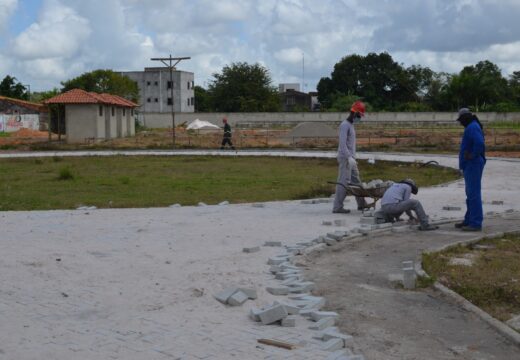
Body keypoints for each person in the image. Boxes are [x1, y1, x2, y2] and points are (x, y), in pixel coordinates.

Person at [332, 101, 367, 214]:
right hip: (345, 159)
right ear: (354, 113)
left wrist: (352, 158)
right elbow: (342, 144)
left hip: (351, 159)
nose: (360, 118)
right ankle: (337, 207)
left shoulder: (351, 125)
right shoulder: (344, 125)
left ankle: (362, 204)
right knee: (343, 182)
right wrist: (349, 157)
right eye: (359, 116)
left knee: (357, 182)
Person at [455, 108, 486, 231]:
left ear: (465, 118)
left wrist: (472, 155)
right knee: (470, 194)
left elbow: (479, 143)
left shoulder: (472, 127)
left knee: (474, 194)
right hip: (470, 164)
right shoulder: (472, 126)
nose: (460, 123)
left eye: (461, 120)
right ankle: (469, 220)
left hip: (473, 163)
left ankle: (475, 223)